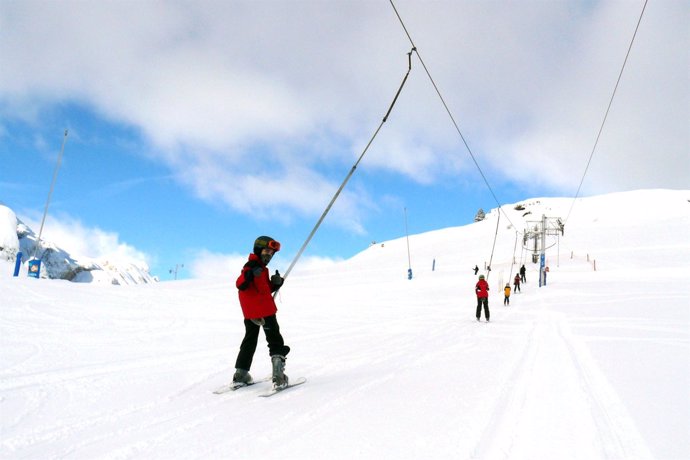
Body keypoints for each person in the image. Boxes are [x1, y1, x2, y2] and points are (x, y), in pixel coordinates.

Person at [233, 236, 291, 390]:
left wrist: (275, 284)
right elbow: (240, 284)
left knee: (250, 340)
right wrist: (249, 274)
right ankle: (278, 376)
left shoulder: (262, 269)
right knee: (275, 340)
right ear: (258, 250)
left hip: (250, 312)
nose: (269, 255)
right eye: (266, 251)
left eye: (271, 253)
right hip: (264, 311)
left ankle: (241, 373)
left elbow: (262, 290)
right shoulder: (251, 265)